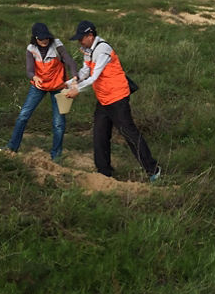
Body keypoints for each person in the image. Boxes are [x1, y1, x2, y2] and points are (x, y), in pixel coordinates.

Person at [63, 20, 161, 182]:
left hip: (117, 98)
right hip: (103, 98)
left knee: (129, 134)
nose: (80, 41)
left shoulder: (103, 50)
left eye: (81, 38)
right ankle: (104, 173)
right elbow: (86, 71)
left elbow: (95, 76)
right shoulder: (88, 50)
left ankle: (153, 170)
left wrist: (77, 90)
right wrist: (72, 81)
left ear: (90, 35)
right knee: (100, 135)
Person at [7, 22, 76, 160]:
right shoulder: (31, 49)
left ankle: (56, 155)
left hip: (58, 87)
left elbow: (69, 60)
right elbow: (29, 70)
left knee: (58, 123)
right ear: (35, 38)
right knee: (23, 116)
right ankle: (11, 148)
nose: (44, 41)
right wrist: (34, 77)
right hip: (39, 86)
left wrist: (74, 77)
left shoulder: (56, 44)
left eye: (46, 38)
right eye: (41, 39)